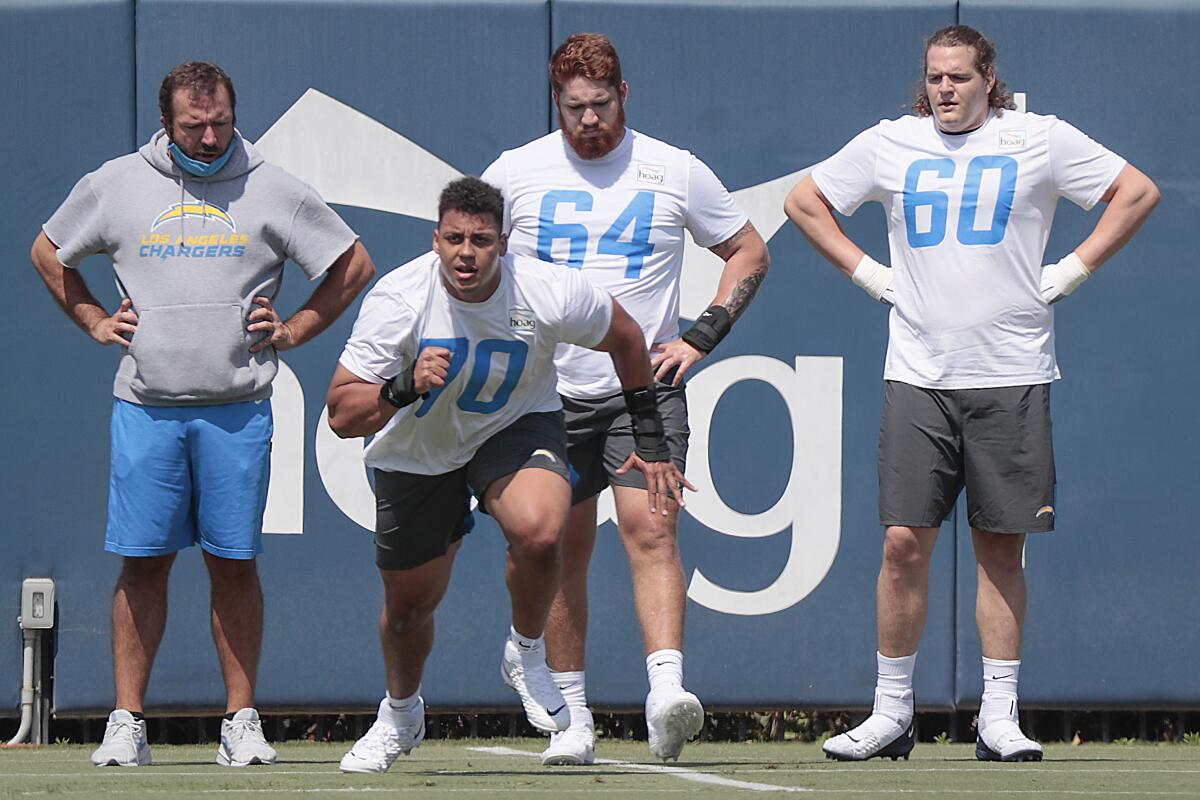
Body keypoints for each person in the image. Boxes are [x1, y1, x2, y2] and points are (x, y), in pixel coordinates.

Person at [785, 25, 1158, 762]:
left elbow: (1135, 193)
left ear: (990, 78)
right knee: (901, 545)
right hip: (919, 374)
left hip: (1013, 373)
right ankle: (893, 713)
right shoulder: (892, 142)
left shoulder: (1040, 138)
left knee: (1000, 550)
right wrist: (872, 275)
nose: (945, 89)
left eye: (959, 76)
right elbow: (805, 202)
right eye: (934, 77)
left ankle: (998, 716)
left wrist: (1068, 273)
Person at [30, 61, 375, 767]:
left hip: (239, 411)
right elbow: (47, 250)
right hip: (146, 410)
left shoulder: (273, 185)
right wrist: (94, 319)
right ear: (167, 123)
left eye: (220, 121)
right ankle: (127, 724)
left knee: (235, 565)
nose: (212, 135)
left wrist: (294, 329)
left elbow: (352, 264)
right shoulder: (116, 183)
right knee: (143, 564)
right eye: (195, 126)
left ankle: (240, 723)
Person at [326, 177, 689, 774]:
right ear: (435, 239)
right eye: (454, 239)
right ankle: (399, 712)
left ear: (504, 242)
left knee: (545, 532)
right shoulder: (400, 299)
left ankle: (525, 652)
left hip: (512, 427)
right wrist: (403, 385)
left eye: (482, 240)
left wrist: (649, 437)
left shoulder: (547, 288)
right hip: (419, 448)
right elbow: (341, 413)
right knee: (408, 610)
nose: (466, 253)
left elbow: (627, 338)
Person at [480, 32, 770, 766]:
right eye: (574, 107)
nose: (587, 120)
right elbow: (470, 257)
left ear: (624, 95)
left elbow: (749, 250)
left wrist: (701, 337)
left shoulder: (672, 168)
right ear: (557, 103)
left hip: (643, 389)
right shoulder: (517, 171)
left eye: (600, 104)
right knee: (560, 550)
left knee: (652, 529)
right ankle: (573, 718)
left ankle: (665, 694)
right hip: (545, 392)